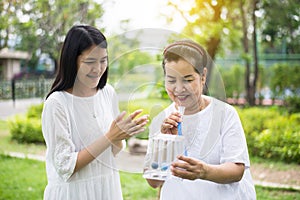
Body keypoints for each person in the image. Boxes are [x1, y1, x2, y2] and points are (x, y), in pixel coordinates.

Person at [41, 25, 149, 200]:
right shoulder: (57, 103)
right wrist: (109, 136)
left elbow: (112, 152)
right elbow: (65, 167)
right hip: (74, 193)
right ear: (72, 60)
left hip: (107, 188)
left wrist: (121, 134)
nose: (98, 69)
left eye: (103, 60)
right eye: (90, 62)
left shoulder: (108, 93)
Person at [144, 40, 256, 199]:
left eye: (188, 80)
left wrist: (204, 172)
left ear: (203, 76)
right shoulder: (162, 121)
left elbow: (237, 171)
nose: (179, 88)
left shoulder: (224, 114)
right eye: (171, 80)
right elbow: (153, 182)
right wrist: (165, 142)